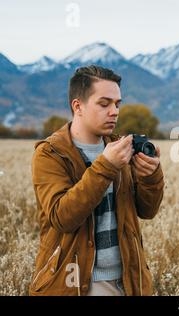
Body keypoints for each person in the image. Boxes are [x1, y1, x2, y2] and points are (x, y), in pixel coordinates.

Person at [30, 65, 164, 296]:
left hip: (129, 281)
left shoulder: (120, 148)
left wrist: (151, 176)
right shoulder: (50, 153)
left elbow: (147, 211)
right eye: (104, 104)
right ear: (78, 106)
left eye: (117, 104)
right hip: (76, 285)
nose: (115, 111)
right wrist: (106, 166)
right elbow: (63, 217)